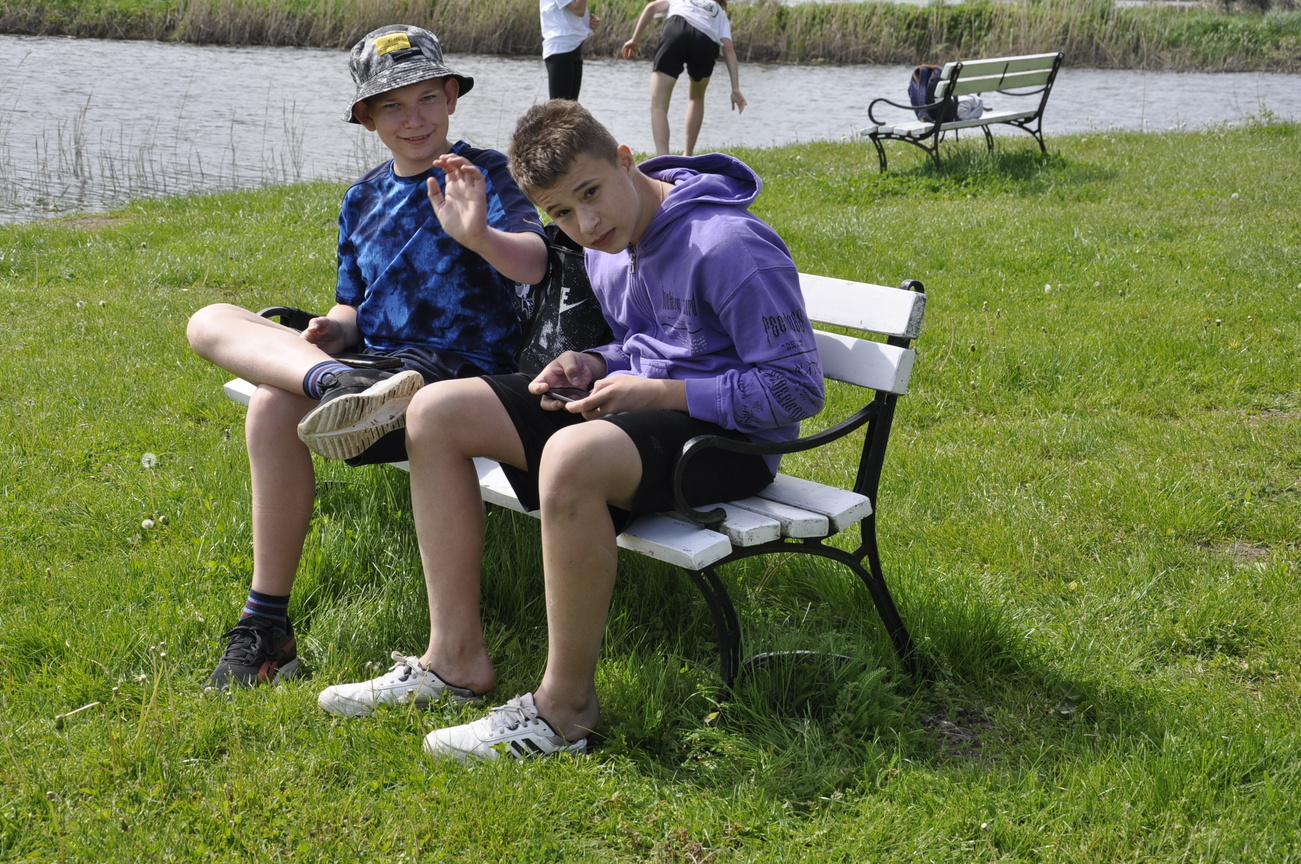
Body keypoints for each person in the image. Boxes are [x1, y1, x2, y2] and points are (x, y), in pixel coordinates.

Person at [316, 100, 825, 762]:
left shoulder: (728, 246)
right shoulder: (607, 247)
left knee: (569, 455)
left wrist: (661, 392)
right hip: (643, 416)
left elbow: (797, 388)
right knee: (436, 410)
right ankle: (454, 660)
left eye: (590, 194)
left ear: (625, 159)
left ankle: (564, 710)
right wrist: (594, 362)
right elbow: (645, 345)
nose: (585, 224)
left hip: (734, 445)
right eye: (559, 213)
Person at [186, 24, 548, 690]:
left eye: (426, 99)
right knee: (210, 324)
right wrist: (334, 330)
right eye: (392, 106)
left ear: (451, 98)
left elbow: (534, 265)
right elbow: (354, 305)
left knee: (271, 403)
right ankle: (267, 627)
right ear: (367, 118)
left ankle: (338, 392)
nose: (413, 119)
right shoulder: (363, 198)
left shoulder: (486, 174)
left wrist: (478, 235)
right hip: (371, 372)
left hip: (457, 377)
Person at [621, 0, 745, 157]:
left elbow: (651, 7)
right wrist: (735, 88)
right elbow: (728, 47)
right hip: (705, 41)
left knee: (658, 105)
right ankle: (687, 155)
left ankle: (664, 158)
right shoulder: (719, 12)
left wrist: (635, 40)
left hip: (676, 30)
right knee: (697, 98)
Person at [540, 0, 600, 101]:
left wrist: (587, 21)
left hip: (574, 46)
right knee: (559, 109)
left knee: (572, 108)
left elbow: (577, 11)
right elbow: (578, 9)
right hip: (560, 48)